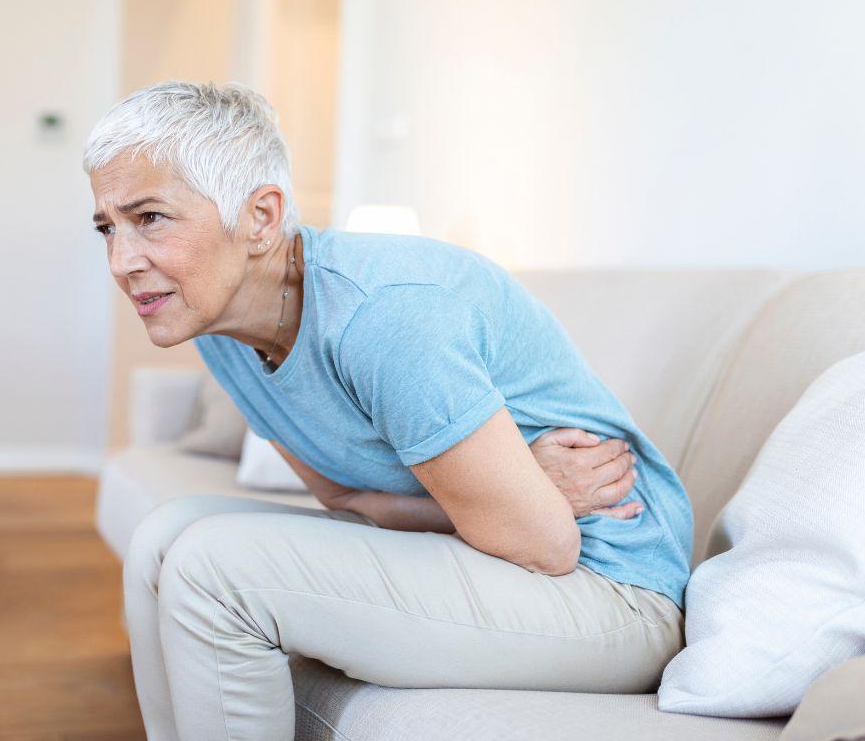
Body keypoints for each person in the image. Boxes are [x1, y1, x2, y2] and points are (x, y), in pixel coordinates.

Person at [84, 80, 693, 741]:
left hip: (611, 593)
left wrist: (521, 500)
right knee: (162, 538)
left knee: (214, 568)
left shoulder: (384, 313)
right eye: (107, 228)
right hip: (508, 551)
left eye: (150, 219)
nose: (122, 261)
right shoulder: (224, 333)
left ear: (260, 218)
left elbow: (544, 543)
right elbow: (344, 497)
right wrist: (523, 485)